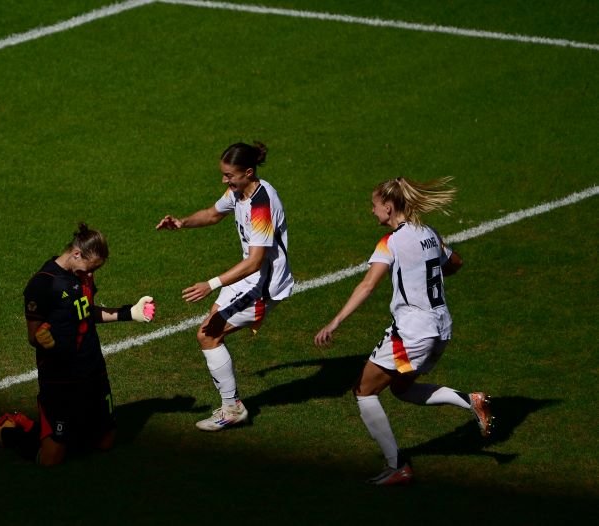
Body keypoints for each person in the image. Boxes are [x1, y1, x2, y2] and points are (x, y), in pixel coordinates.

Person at [314, 177, 493, 485]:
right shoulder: (429, 233)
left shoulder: (391, 241)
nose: (372, 212)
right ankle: (470, 400)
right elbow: (456, 263)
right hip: (441, 329)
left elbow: (368, 285)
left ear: (389, 206)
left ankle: (397, 466)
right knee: (401, 388)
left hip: (412, 332)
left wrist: (335, 321)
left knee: (364, 390)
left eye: (374, 206)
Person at [0, 223, 156, 466]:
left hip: (93, 368)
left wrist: (128, 313)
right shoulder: (43, 284)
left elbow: (86, 313)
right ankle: (5, 430)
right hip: (60, 376)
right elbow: (32, 335)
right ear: (76, 254)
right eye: (90, 269)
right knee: (51, 459)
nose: (91, 276)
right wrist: (41, 338)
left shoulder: (83, 275)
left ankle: (62, 428)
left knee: (105, 442)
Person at [156, 141, 294, 431]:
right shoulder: (238, 191)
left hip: (262, 285)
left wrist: (211, 283)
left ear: (248, 172)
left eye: (229, 175)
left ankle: (232, 408)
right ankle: (232, 406)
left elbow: (256, 261)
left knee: (208, 334)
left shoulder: (261, 206)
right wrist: (183, 222)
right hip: (248, 277)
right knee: (209, 333)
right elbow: (213, 214)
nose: (224, 180)